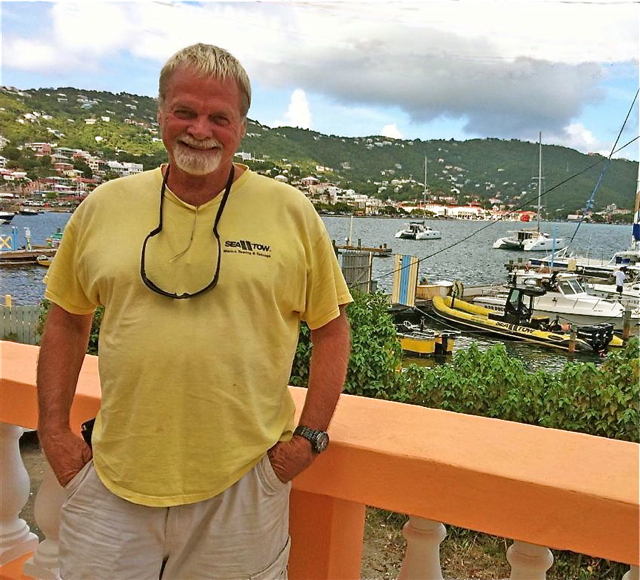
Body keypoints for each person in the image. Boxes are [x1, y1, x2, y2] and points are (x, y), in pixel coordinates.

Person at [37, 43, 352, 580]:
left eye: (218, 117)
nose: (200, 129)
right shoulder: (103, 206)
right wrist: (52, 433)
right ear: (160, 113)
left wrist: (307, 441)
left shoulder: (291, 212)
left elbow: (332, 328)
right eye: (185, 111)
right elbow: (67, 317)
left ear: (242, 126)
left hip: (243, 486)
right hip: (112, 478)